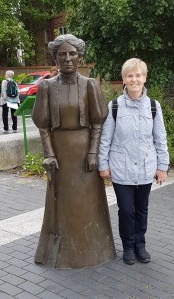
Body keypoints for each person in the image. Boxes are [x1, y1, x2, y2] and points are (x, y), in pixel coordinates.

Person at [32, 34, 115, 268]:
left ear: (80, 58)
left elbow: (98, 122)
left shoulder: (90, 85)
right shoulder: (47, 87)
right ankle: (60, 254)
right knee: (61, 202)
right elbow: (43, 125)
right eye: (62, 55)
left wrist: (92, 153)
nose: (68, 59)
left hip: (84, 152)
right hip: (60, 153)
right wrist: (48, 154)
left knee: (88, 202)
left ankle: (95, 250)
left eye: (72, 54)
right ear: (55, 59)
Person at [98, 58, 169, 265]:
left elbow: (160, 139)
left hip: (146, 169)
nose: (134, 79)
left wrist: (162, 166)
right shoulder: (114, 107)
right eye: (130, 75)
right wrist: (103, 165)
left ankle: (140, 245)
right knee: (126, 210)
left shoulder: (154, 107)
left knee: (142, 210)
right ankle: (128, 247)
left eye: (138, 75)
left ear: (144, 78)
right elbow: (105, 139)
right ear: (124, 79)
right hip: (121, 169)